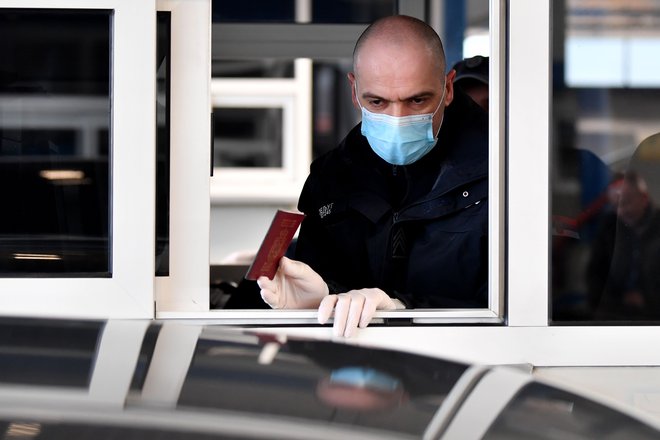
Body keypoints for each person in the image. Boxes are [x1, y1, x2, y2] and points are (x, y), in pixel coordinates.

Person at [257, 15, 489, 337]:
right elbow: (322, 309)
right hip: (354, 377)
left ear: (447, 88)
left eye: (417, 100)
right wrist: (320, 297)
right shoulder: (331, 180)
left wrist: (402, 310)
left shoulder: (503, 175)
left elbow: (525, 312)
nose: (397, 119)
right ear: (354, 91)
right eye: (377, 101)